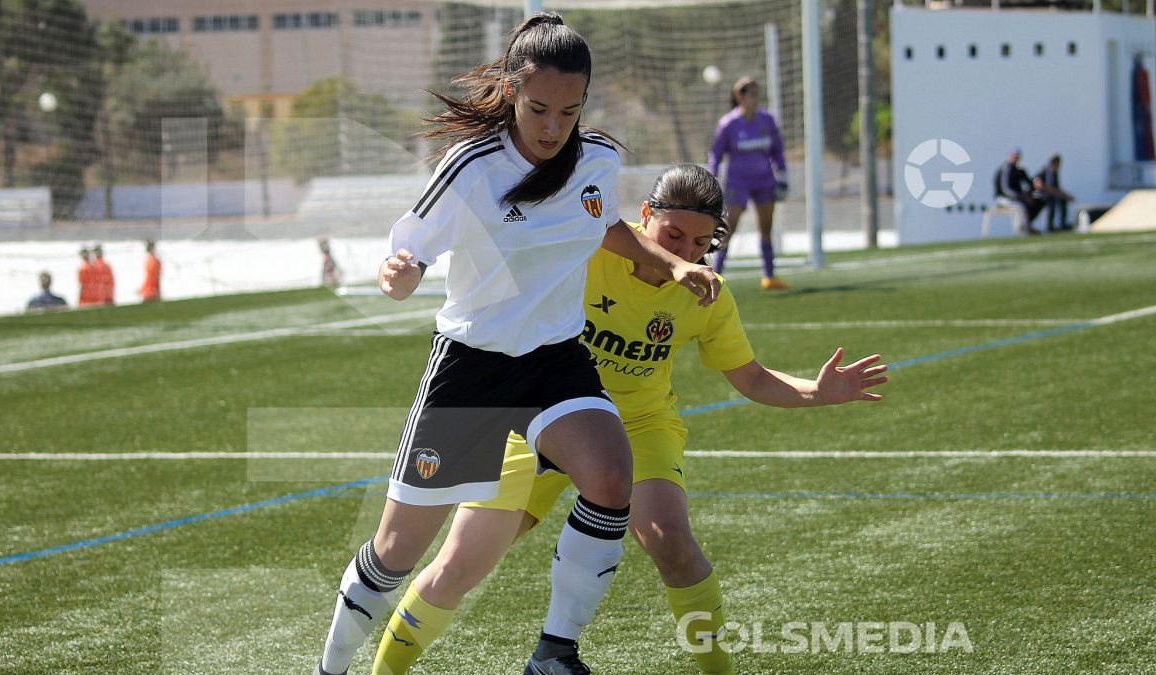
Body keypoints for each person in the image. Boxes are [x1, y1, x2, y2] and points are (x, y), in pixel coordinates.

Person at [315, 14, 719, 675]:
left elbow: (602, 220)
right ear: (510, 93)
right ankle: (329, 670)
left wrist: (672, 263)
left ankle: (553, 654)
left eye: (569, 109)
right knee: (395, 551)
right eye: (538, 108)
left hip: (556, 361)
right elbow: (407, 252)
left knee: (612, 477)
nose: (553, 125)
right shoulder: (471, 167)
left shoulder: (599, 161)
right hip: (472, 367)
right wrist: (400, 273)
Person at [370, 163, 888, 675]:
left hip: (640, 425)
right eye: (674, 235)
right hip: (537, 419)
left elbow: (750, 378)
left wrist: (816, 392)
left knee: (672, 543)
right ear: (645, 217)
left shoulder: (708, 292)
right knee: (460, 563)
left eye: (700, 243)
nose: (685, 253)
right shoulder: (588, 252)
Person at [706, 76, 788, 287]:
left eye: (756, 93)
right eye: (751, 94)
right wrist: (712, 176)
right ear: (739, 96)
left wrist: (783, 174)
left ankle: (769, 276)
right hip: (738, 183)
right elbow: (716, 153)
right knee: (728, 227)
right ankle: (715, 275)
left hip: (764, 181)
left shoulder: (766, 120)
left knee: (766, 226)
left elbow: (777, 149)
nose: (755, 98)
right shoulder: (729, 124)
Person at [992, 147, 1043, 235]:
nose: (1016, 159)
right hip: (1002, 198)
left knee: (1039, 200)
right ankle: (1022, 231)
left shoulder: (1019, 169)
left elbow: (1029, 183)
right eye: (1014, 156)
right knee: (1020, 207)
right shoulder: (1005, 169)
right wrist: (1022, 197)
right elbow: (1006, 190)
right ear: (1009, 156)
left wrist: (1035, 184)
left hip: (1018, 197)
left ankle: (1026, 226)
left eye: (1017, 157)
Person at [1037, 154, 1075, 232]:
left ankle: (1062, 224)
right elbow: (1049, 188)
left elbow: (1056, 188)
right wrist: (1065, 195)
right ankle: (1049, 226)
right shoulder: (1048, 171)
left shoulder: (1054, 173)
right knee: (1052, 202)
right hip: (1041, 195)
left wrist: (1065, 196)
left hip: (1050, 195)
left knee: (1062, 200)